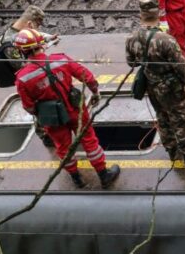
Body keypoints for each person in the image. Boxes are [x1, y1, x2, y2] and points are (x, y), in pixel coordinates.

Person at [14, 29, 121, 189]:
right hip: (75, 109)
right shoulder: (60, 59)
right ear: (40, 45)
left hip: (52, 117)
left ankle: (76, 178)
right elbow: (87, 77)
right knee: (88, 140)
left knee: (63, 147)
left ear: (21, 51)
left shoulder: (22, 78)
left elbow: (29, 107)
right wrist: (95, 91)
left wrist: (43, 112)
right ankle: (104, 175)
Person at [125, 0, 185, 165]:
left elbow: (132, 62)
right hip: (172, 88)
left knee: (163, 118)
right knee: (181, 120)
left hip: (151, 86)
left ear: (141, 15)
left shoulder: (132, 38)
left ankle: (172, 152)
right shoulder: (166, 40)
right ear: (158, 14)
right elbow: (182, 66)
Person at [0, 6, 56, 147]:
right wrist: (40, 52)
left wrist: (45, 41)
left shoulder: (16, 33)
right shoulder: (10, 43)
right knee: (41, 108)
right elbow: (24, 67)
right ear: (29, 24)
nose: (38, 28)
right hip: (28, 82)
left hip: (30, 76)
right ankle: (46, 136)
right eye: (37, 25)